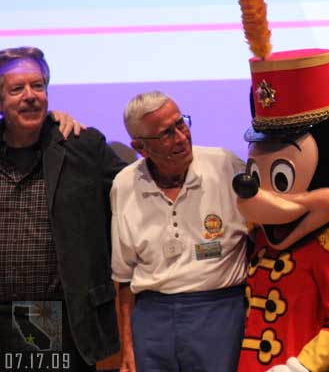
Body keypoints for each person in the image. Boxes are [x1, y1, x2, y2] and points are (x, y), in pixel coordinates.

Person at [0, 46, 126, 370]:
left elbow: (136, 190)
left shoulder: (81, 146)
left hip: (46, 312)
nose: (30, 96)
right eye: (17, 89)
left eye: (38, 86)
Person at [111, 90, 248, 372]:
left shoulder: (225, 166)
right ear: (140, 146)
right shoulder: (124, 184)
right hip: (152, 319)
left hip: (220, 312)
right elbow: (124, 278)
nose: (182, 137)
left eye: (181, 123)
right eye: (167, 133)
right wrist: (128, 347)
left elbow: (267, 232)